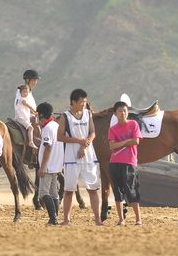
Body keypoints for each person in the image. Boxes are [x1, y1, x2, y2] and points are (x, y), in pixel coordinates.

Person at [57, 88, 102, 226]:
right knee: (69, 190)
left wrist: (85, 144)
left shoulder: (88, 114)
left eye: (85, 102)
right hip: (71, 158)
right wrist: (78, 141)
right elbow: (60, 137)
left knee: (92, 189)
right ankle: (66, 219)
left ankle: (97, 219)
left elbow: (93, 132)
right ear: (73, 102)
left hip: (88, 156)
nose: (84, 105)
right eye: (82, 102)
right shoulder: (65, 116)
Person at [108, 100, 143, 226]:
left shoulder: (133, 124)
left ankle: (138, 219)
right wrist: (127, 141)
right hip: (115, 162)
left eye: (125, 110)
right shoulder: (113, 129)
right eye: (119, 111)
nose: (122, 113)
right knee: (117, 192)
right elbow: (112, 146)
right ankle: (121, 219)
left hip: (129, 162)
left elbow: (136, 141)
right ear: (115, 113)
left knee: (131, 190)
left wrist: (120, 143)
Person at [36, 102, 63, 225]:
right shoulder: (56, 125)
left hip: (48, 166)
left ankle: (53, 219)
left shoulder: (47, 128)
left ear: (41, 115)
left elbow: (47, 148)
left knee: (43, 193)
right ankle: (55, 217)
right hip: (56, 165)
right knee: (54, 193)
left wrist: (42, 167)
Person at [14, 84, 38, 149]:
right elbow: (29, 106)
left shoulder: (18, 99)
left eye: (27, 92)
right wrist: (35, 111)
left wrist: (34, 113)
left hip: (19, 117)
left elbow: (28, 109)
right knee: (31, 128)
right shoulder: (22, 99)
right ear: (20, 92)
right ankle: (31, 142)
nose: (25, 93)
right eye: (24, 92)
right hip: (21, 118)